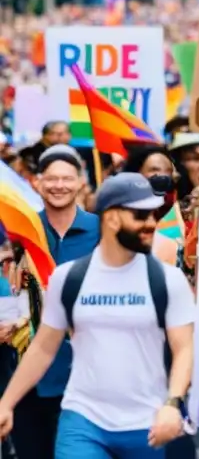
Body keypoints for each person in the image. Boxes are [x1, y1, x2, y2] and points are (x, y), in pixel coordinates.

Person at [0, 173, 196, 458]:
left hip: (148, 424)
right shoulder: (68, 279)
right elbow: (43, 347)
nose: (152, 223)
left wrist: (173, 402)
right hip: (83, 423)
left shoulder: (168, 280)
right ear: (112, 218)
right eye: (140, 215)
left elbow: (184, 348)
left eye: (152, 214)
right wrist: (6, 403)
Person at [13, 144, 99, 459]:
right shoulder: (21, 231)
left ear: (80, 182)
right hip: (28, 372)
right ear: (37, 182)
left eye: (66, 178)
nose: (58, 186)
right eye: (50, 179)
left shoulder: (103, 230)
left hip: (87, 373)